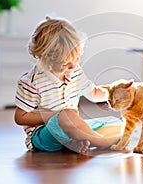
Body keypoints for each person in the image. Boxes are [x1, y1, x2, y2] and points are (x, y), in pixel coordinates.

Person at [14, 16, 121, 153]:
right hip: (44, 134)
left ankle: (75, 142)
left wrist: (113, 92)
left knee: (116, 124)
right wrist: (55, 115)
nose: (74, 65)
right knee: (66, 116)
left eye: (77, 58)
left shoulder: (75, 72)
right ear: (45, 58)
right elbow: (20, 117)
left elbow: (94, 93)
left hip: (71, 128)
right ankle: (102, 142)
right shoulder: (31, 82)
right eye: (65, 63)